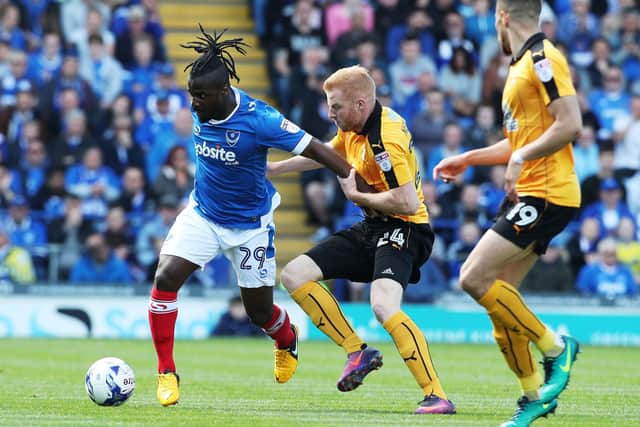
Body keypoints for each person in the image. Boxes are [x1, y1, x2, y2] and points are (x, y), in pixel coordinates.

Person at [149, 27, 372, 407]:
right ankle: (167, 371)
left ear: (223, 92)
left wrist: (357, 184)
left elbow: (316, 148)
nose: (193, 103)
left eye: (200, 96)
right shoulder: (202, 101)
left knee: (259, 311)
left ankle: (286, 339)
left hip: (251, 225)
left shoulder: (260, 119)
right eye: (192, 95)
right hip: (203, 214)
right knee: (165, 277)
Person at [268, 65, 456, 415]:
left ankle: (436, 395)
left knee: (384, 305)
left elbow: (407, 202)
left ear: (360, 102)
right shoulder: (354, 128)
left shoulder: (386, 138)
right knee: (294, 275)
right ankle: (357, 351)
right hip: (373, 226)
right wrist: (276, 169)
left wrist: (359, 198)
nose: (330, 113)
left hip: (406, 228)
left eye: (336, 106)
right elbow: (327, 154)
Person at [433, 1, 582, 425]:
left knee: (472, 277)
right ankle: (534, 396)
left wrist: (520, 161)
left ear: (502, 18)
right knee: (500, 302)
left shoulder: (543, 58)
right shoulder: (518, 67)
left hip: (547, 193)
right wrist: (470, 158)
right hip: (528, 194)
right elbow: (518, 141)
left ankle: (557, 347)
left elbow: (570, 124)